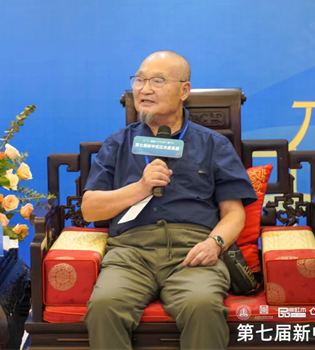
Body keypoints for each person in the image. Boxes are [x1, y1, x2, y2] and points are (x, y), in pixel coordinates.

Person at [81, 51, 257, 350]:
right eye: (139, 80)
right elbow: (89, 209)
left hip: (193, 251)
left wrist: (214, 244)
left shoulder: (213, 144)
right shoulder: (118, 143)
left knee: (203, 305)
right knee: (105, 306)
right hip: (130, 253)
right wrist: (140, 188)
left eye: (157, 81)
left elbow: (233, 213)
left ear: (184, 90)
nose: (145, 89)